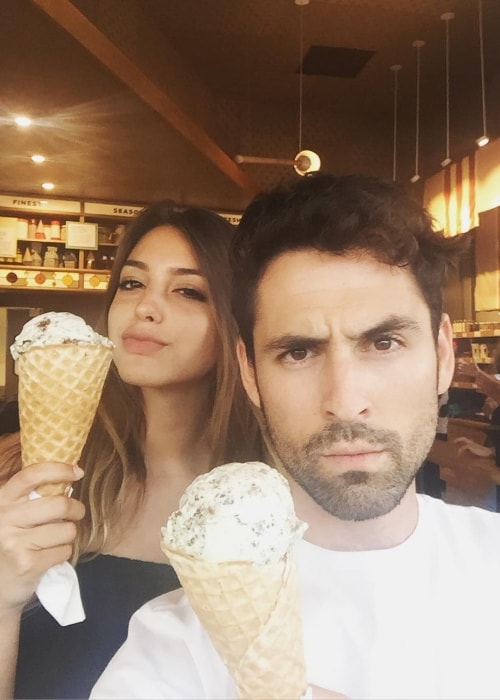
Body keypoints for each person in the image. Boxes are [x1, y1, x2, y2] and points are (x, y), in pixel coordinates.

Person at [91, 173, 500, 700]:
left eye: (384, 342)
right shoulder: (176, 644)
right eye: (299, 352)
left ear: (443, 356)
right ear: (248, 370)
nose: (345, 399)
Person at [0, 200, 263, 700]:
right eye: (132, 283)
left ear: (235, 320)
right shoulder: (22, 476)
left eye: (188, 290)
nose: (146, 307)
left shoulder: (271, 508)